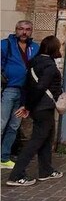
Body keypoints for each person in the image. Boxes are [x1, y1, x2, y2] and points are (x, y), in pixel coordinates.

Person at [6, 35, 62, 187]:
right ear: (54, 48)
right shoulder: (49, 66)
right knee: (35, 141)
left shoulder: (33, 62)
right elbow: (40, 87)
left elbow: (27, 86)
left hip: (38, 107)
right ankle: (16, 175)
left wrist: (26, 105)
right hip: (44, 107)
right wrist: (27, 107)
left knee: (46, 138)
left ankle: (46, 171)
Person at [1, 20, 39, 170]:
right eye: (21, 29)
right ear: (15, 30)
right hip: (8, 89)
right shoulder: (5, 44)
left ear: (31, 31)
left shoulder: (35, 48)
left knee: (14, 126)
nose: (24, 32)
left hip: (25, 92)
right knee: (1, 123)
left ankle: (3, 157)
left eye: (27, 29)